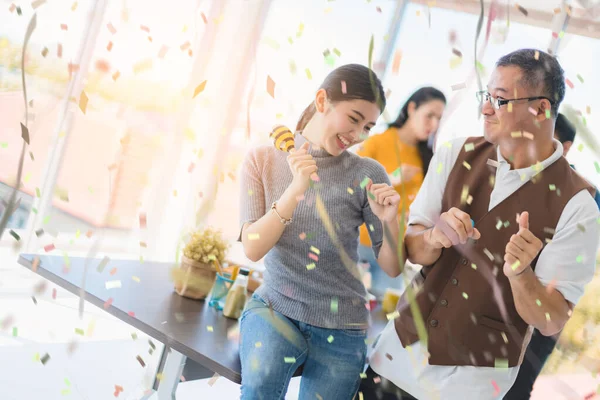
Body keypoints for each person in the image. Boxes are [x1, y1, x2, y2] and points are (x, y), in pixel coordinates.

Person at [359, 49, 600, 400]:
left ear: (542, 109)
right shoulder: (452, 153)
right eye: (487, 96)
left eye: (500, 100)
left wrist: (521, 275)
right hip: (393, 361)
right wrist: (434, 236)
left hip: (469, 390)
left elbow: (551, 319)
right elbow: (412, 247)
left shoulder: (580, 205)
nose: (486, 108)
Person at [238, 64, 403, 399]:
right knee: (259, 387)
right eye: (354, 119)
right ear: (322, 100)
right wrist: (296, 189)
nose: (358, 135)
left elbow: (393, 267)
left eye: (368, 126)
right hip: (276, 306)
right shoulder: (262, 160)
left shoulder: (368, 173)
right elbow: (253, 248)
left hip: (343, 325)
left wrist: (389, 220)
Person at [504, 113, 600, 399]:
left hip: (545, 312)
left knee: (518, 388)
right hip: (495, 307)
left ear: (566, 146)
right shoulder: (509, 174)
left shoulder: (584, 196)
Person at [356, 87, 446, 297]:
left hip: (395, 250)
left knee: (380, 316)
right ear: (412, 108)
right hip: (360, 244)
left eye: (439, 118)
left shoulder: (428, 158)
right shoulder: (378, 142)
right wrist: (392, 178)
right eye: (430, 115)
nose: (433, 124)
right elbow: (351, 186)